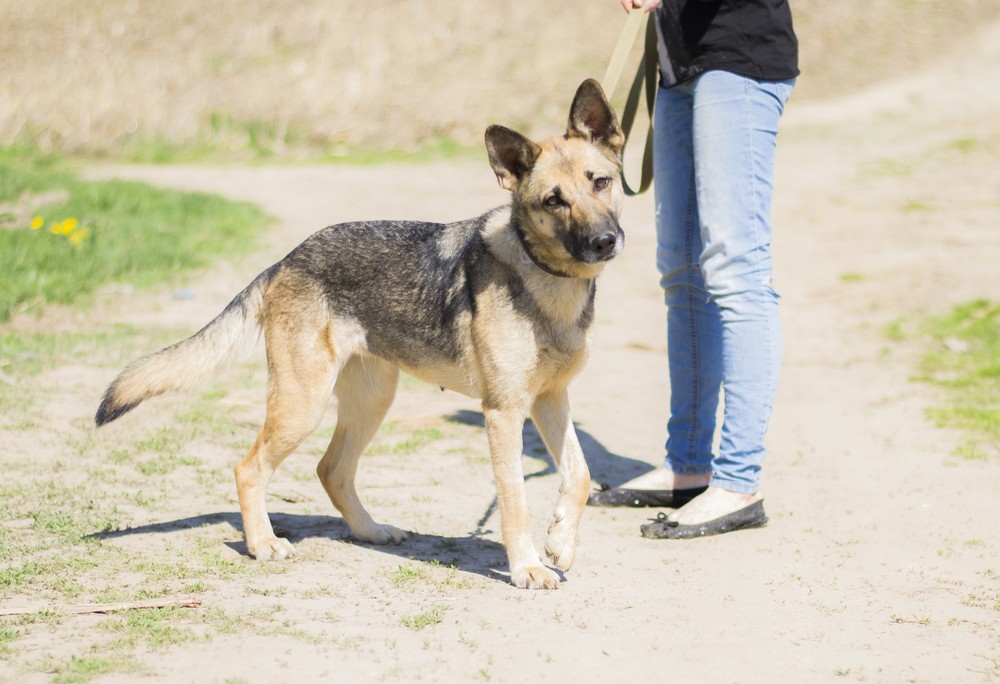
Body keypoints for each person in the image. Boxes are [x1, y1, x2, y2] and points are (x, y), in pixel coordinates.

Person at [588, 0, 798, 539]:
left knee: (735, 271)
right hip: (678, 70)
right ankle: (688, 465)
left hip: (738, 59)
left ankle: (738, 481)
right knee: (682, 272)